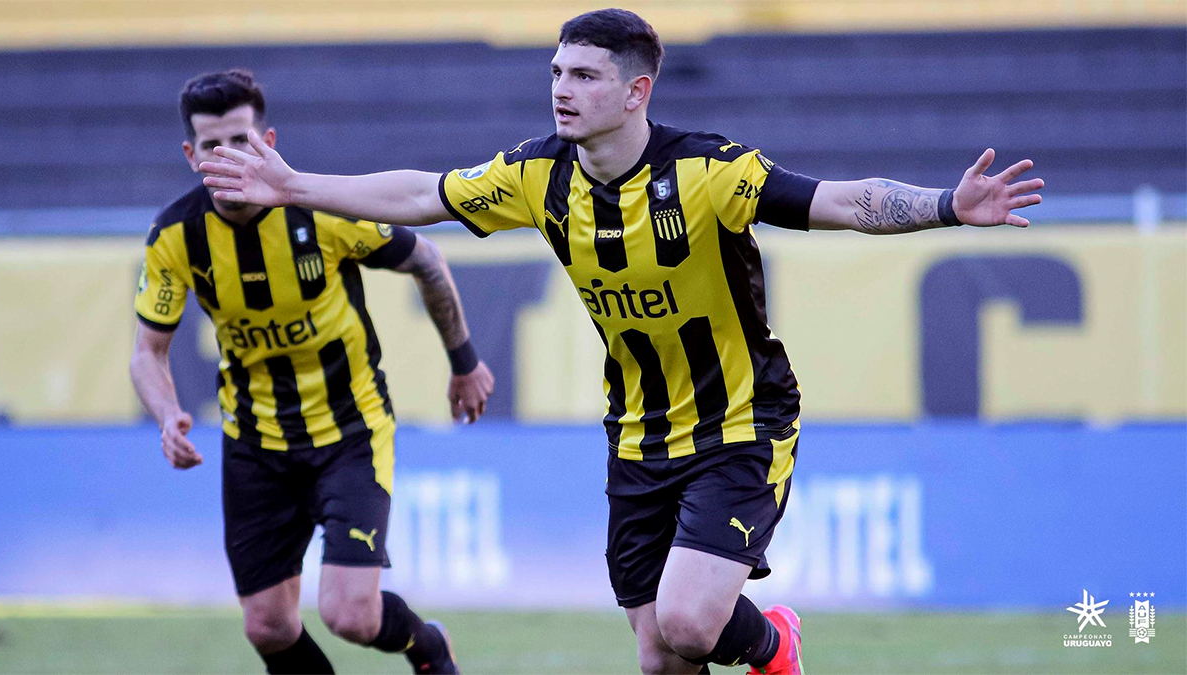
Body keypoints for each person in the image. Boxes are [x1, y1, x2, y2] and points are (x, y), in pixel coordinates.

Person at [200, 9, 1044, 674]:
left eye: (584, 76)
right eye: (556, 72)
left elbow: (842, 200)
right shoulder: (537, 175)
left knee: (689, 621)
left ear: (637, 91)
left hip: (740, 421)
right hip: (637, 435)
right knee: (659, 657)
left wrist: (946, 205)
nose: (561, 90)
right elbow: (424, 194)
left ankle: (775, 642)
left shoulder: (708, 173)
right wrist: (294, 184)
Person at [131, 69, 494, 675]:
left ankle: (428, 647)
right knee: (268, 628)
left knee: (351, 616)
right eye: (213, 145)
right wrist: (167, 414)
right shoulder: (175, 237)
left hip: (350, 432)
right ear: (191, 155)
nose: (229, 156)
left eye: (242, 140)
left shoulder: (321, 211)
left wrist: (464, 363)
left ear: (268, 141)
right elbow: (148, 351)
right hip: (255, 444)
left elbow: (427, 261)